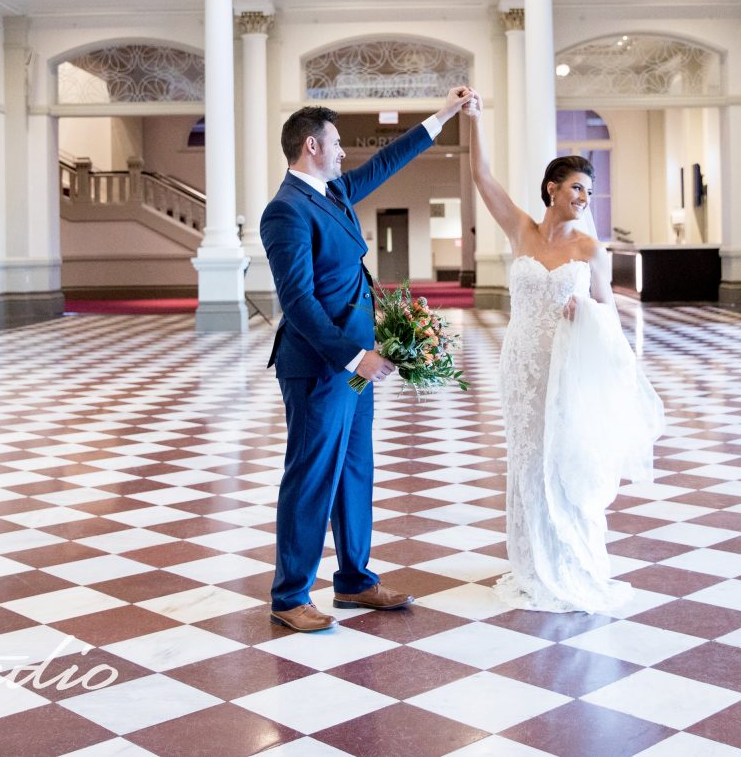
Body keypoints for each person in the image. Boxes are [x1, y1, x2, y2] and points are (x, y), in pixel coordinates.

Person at [261, 87, 473, 632]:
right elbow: (298, 302)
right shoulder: (285, 210)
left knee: (355, 470)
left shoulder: (335, 194)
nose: (342, 154)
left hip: (356, 367)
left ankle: (354, 580)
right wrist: (354, 355)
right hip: (320, 366)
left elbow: (386, 161)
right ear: (311, 145)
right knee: (311, 476)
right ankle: (290, 595)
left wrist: (443, 116)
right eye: (334, 144)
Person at [462, 91, 664, 613]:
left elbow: (609, 313)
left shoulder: (590, 250)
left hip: (567, 366)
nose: (584, 198)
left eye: (590, 191)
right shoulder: (522, 231)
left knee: (563, 457)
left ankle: (571, 559)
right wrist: (475, 119)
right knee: (527, 459)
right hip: (522, 363)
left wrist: (587, 312)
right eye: (577, 187)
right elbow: (482, 177)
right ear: (552, 188)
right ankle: (531, 561)